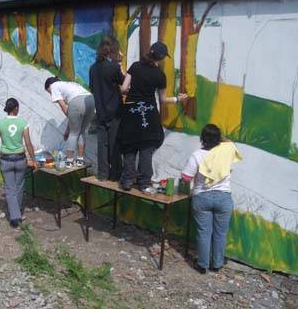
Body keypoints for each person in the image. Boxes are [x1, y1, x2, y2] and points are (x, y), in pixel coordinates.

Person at [119, 41, 187, 191]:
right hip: (149, 115)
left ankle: (128, 180)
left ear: (150, 51)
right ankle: (144, 182)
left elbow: (124, 89)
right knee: (146, 147)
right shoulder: (160, 76)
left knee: (129, 146)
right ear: (162, 58)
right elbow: (163, 100)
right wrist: (177, 99)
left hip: (131, 112)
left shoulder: (135, 66)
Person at [181, 124, 242, 274]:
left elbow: (186, 177)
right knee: (220, 233)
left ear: (202, 138)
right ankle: (217, 264)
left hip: (203, 197)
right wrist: (218, 137)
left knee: (204, 232)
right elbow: (230, 143)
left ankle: (202, 265)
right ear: (219, 139)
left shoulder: (197, 155)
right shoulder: (226, 152)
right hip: (224, 198)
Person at [0, 98, 37, 228]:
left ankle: (14, 217)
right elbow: (28, 143)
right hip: (21, 159)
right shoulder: (23, 123)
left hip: (6, 159)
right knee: (20, 186)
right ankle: (18, 212)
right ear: (16, 108)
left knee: (10, 189)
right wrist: (33, 160)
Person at [89, 35, 124, 181]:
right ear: (113, 50)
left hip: (101, 110)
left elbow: (92, 87)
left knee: (102, 145)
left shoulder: (93, 68)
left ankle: (103, 174)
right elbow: (124, 83)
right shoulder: (114, 67)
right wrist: (120, 64)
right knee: (114, 144)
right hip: (114, 110)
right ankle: (115, 174)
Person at [45, 77, 95, 168]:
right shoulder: (70, 84)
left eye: (50, 92)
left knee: (74, 133)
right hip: (91, 100)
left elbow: (63, 106)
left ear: (50, 85)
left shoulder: (54, 86)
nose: (51, 94)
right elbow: (72, 117)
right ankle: (80, 160)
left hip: (77, 102)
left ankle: (69, 161)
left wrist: (70, 128)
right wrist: (68, 129)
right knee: (81, 131)